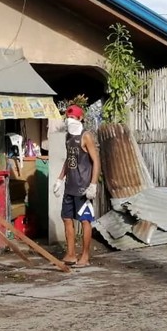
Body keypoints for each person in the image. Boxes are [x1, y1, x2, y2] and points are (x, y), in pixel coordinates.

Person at [52, 104, 101, 267]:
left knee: (85, 221)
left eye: (73, 117)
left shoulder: (85, 136)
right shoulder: (68, 137)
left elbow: (96, 160)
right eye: (68, 117)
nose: (70, 120)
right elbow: (70, 159)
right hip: (70, 185)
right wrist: (60, 179)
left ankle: (85, 256)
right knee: (66, 218)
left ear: (80, 118)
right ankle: (71, 254)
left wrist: (93, 184)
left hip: (83, 187)